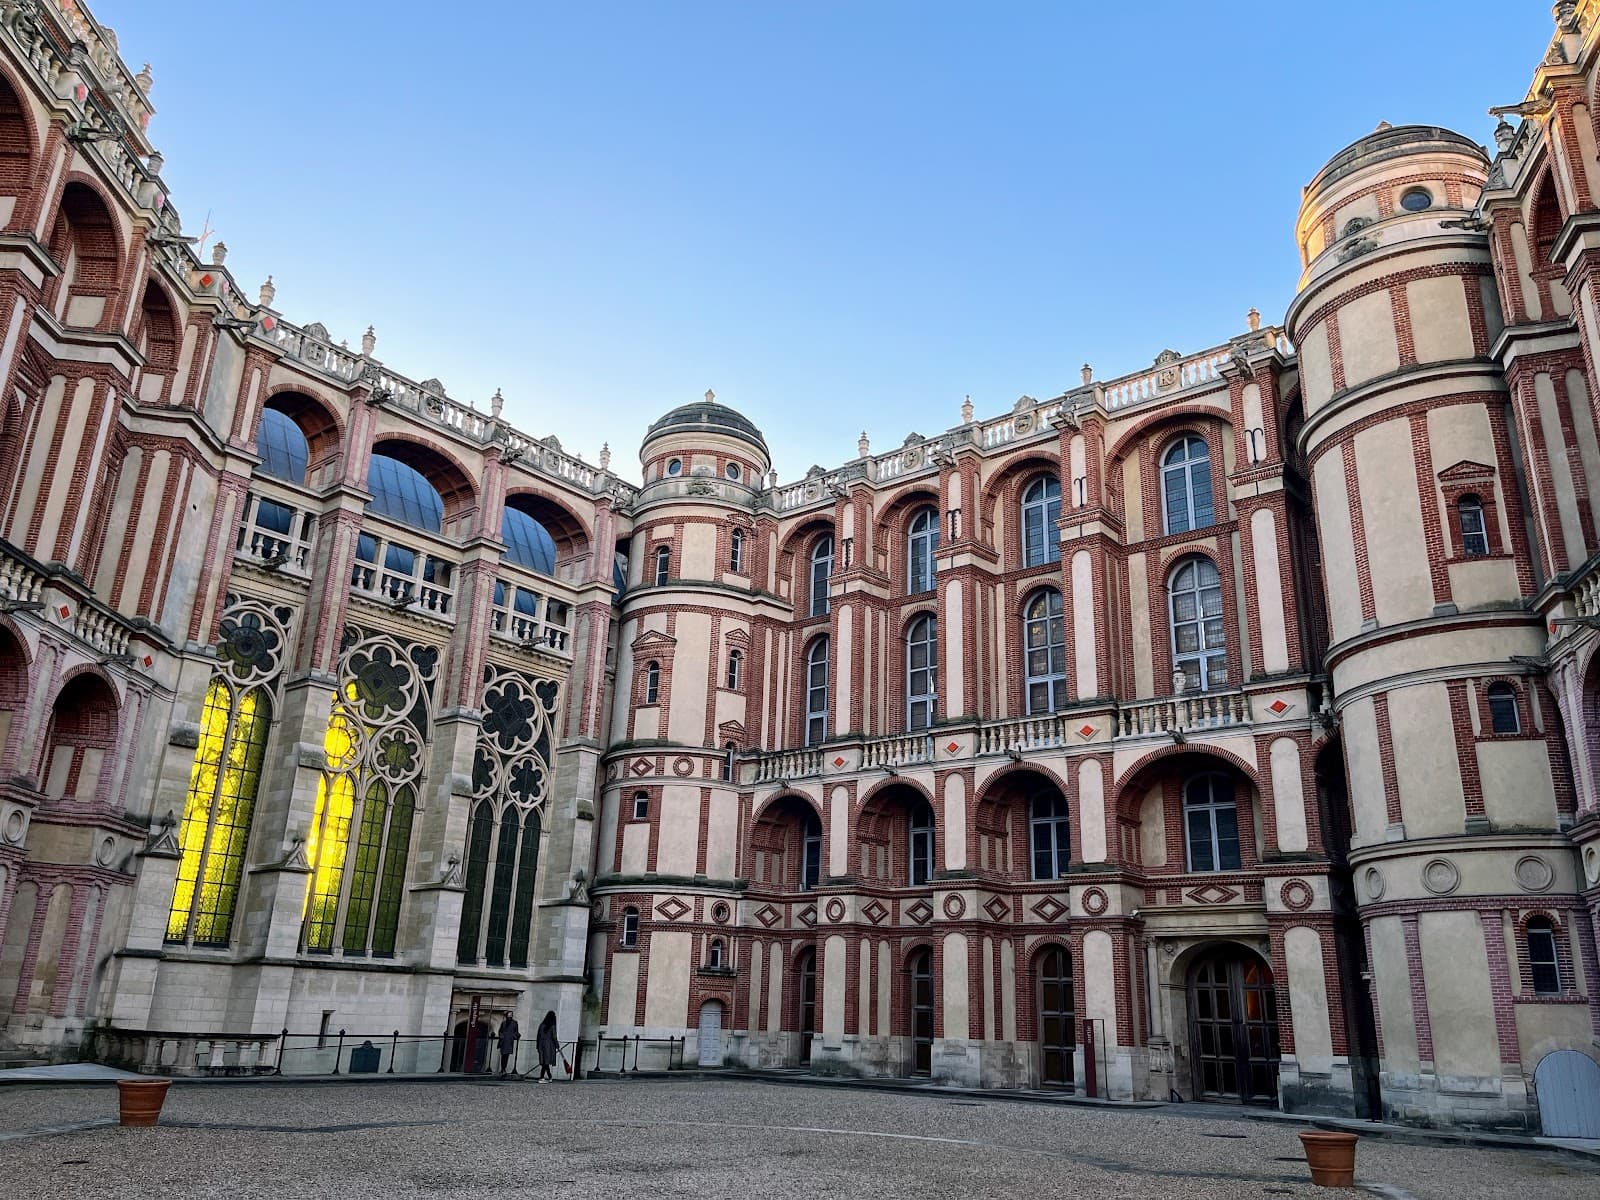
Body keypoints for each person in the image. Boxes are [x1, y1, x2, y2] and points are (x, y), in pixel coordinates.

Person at [536, 1010, 559, 1083]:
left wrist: (537, 1045)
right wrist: (557, 1045)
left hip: (541, 1044)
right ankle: (543, 1077)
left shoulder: (541, 1025)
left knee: (544, 1062)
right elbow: (554, 1037)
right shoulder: (552, 1026)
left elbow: (538, 1036)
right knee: (546, 1062)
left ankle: (548, 1076)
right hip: (549, 1045)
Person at [497, 1011, 520, 1077]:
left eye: (511, 1015)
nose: (510, 1016)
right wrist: (501, 1036)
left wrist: (514, 1036)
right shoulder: (503, 1023)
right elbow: (500, 1031)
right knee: (503, 1055)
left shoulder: (515, 1023)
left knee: (506, 1055)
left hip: (509, 1041)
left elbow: (516, 1031)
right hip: (503, 1041)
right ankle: (503, 1068)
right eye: (509, 1014)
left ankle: (504, 1068)